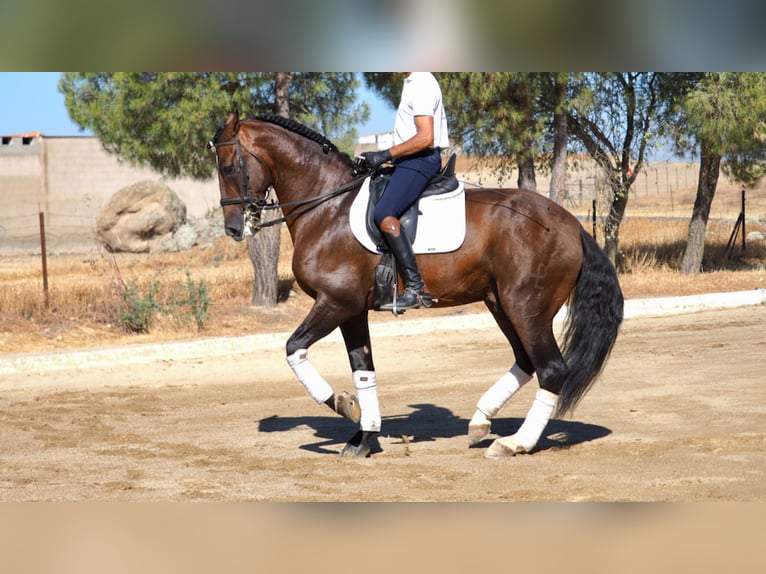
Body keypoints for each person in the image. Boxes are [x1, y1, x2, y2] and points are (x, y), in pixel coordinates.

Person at [357, 72, 449, 310]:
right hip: (409, 161)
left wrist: (385, 154)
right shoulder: (412, 82)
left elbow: (425, 136)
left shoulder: (422, 83)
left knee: (383, 212)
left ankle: (416, 288)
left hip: (421, 160)